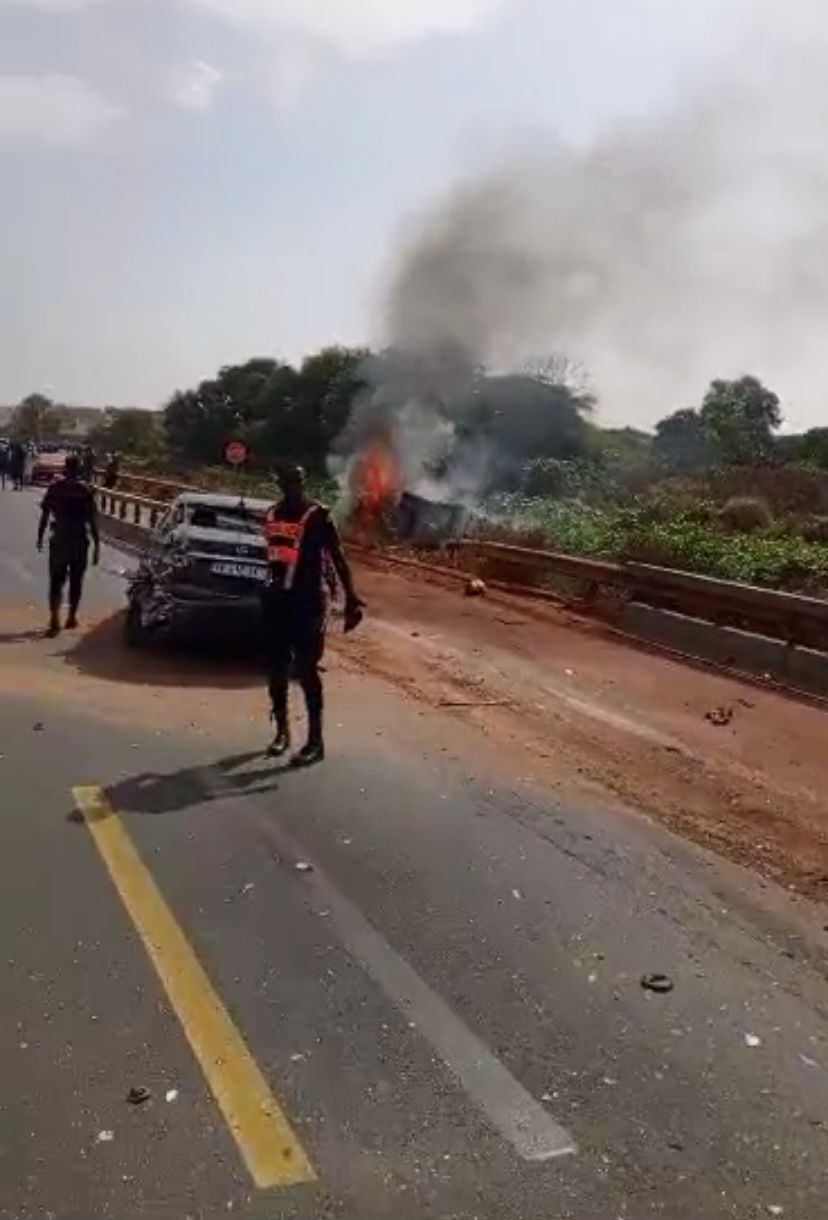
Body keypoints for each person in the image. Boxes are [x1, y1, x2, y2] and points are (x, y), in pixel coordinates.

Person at [261, 464, 364, 766]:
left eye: (295, 481)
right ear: (278, 483)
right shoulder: (272, 515)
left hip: (309, 603)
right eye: (285, 481)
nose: (290, 486)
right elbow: (272, 559)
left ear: (303, 482)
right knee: (275, 670)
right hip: (277, 601)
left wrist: (352, 599)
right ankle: (282, 732)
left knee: (306, 669)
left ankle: (315, 741)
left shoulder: (319, 516)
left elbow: (338, 557)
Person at [36, 454, 100, 637]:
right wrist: (97, 546)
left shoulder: (55, 488)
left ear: (65, 468)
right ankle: (71, 616)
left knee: (56, 580)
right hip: (79, 540)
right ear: (79, 469)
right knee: (76, 581)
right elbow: (92, 521)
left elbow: (45, 515)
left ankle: (54, 617)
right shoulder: (85, 490)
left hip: (60, 539)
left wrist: (40, 538)